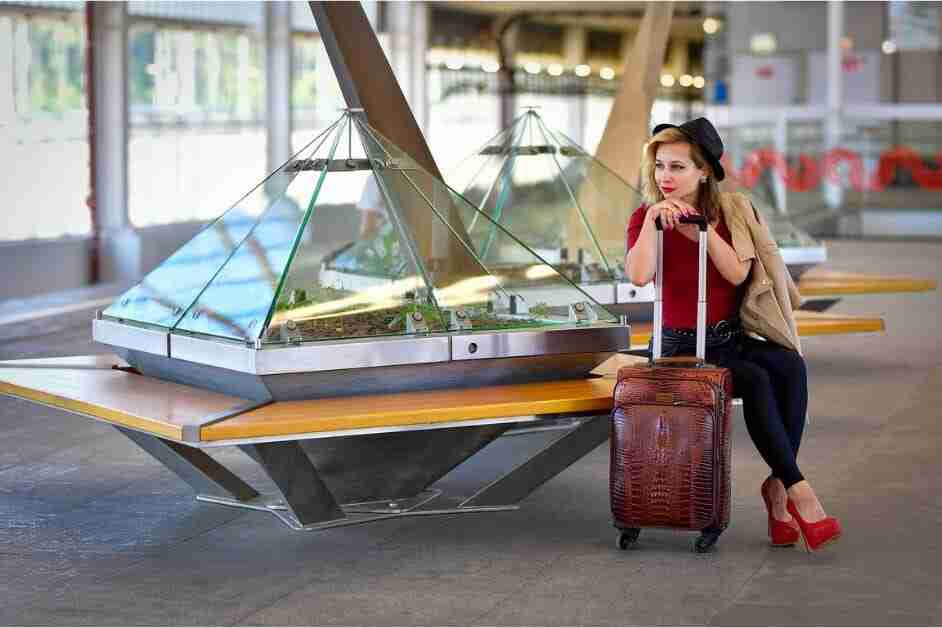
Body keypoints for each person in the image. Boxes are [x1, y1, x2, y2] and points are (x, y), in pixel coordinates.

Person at [624, 118, 842, 552]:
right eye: (661, 167)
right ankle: (798, 491)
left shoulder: (729, 213)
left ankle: (778, 485)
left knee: (789, 365)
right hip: (678, 346)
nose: (665, 177)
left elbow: (738, 272)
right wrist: (653, 221)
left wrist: (696, 229)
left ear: (704, 171)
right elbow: (639, 274)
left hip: (727, 338)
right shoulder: (645, 217)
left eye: (678, 167)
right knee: (758, 380)